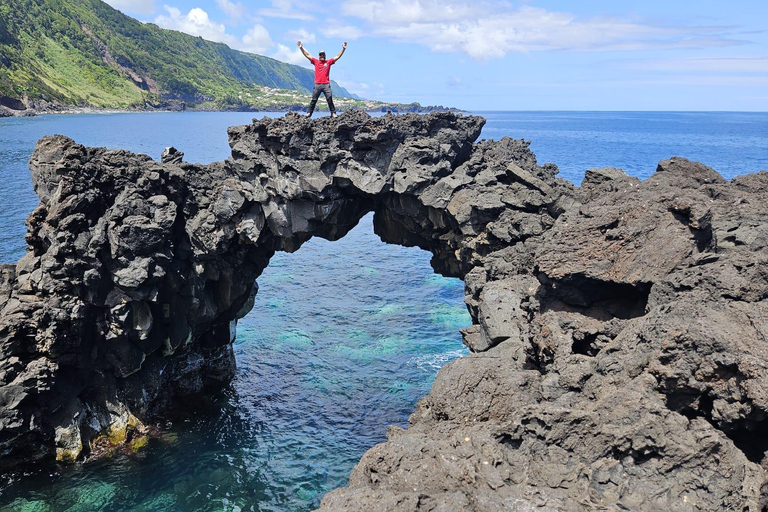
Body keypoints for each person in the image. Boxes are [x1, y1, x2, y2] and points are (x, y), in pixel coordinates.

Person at [298, 40, 347, 118]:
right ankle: (309, 113)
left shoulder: (328, 62)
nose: (322, 56)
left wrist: (343, 49)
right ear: (319, 55)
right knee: (314, 100)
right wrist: (301, 48)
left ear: (325, 55)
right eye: (321, 55)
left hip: (326, 84)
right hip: (317, 84)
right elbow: (307, 55)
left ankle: (333, 113)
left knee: (329, 98)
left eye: (323, 54)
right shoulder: (316, 62)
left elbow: (337, 56)